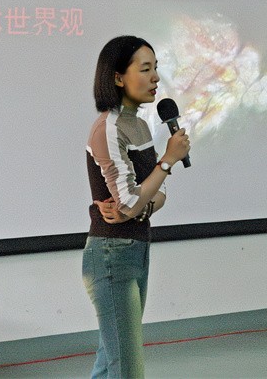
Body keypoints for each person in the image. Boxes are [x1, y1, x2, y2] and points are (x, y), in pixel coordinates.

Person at [83, 35, 190, 378]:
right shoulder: (108, 127)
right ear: (118, 77)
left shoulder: (139, 125)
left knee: (109, 362)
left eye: (155, 68)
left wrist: (142, 203)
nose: (155, 77)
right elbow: (132, 199)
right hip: (111, 253)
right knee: (126, 368)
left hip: (135, 248)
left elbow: (154, 196)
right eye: (145, 69)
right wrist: (167, 161)